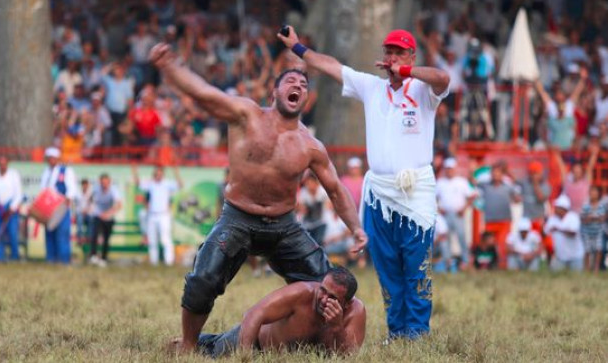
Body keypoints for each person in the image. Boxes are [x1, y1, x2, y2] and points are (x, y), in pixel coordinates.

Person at [148, 43, 367, 352]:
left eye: (303, 85)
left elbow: (335, 189)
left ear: (306, 100)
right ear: (273, 94)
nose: (298, 86)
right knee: (203, 279)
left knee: (329, 287)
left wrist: (356, 228)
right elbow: (203, 94)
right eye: (290, 82)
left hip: (284, 226)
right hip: (238, 217)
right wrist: (170, 66)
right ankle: (188, 344)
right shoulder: (245, 115)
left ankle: (315, 341)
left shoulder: (310, 145)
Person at [278, 26, 448, 339]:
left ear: (411, 56)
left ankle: (418, 333)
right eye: (389, 52)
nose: (392, 57)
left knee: (415, 266)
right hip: (379, 194)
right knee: (387, 268)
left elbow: (443, 78)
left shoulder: (422, 90)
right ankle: (397, 332)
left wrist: (407, 71)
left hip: (415, 193)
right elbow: (330, 66)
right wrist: (299, 48)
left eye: (399, 52)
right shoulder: (371, 87)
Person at [192, 267, 366, 358]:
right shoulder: (302, 292)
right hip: (252, 343)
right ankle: (187, 341)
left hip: (283, 356)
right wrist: (244, 358)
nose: (323, 299)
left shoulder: (356, 312)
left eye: (332, 297)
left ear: (346, 304)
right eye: (323, 290)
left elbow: (348, 356)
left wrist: (337, 328)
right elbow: (253, 314)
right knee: (205, 350)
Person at [131, 164, 181, 266]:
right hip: (152, 215)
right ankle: (154, 262)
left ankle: (169, 261)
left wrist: (176, 172)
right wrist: (135, 172)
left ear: (162, 174)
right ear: (154, 175)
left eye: (160, 174)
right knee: (152, 239)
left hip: (163, 215)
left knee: (165, 239)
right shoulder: (151, 184)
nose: (158, 175)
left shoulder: (167, 184)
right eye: (156, 174)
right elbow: (138, 183)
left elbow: (180, 185)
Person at [40, 147, 79, 264]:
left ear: (57, 158)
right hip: (48, 208)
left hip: (61, 207)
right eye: (49, 158)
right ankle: (51, 258)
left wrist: (65, 203)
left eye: (53, 158)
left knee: (62, 234)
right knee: (50, 233)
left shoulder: (66, 171)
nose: (51, 160)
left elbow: (71, 189)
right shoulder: (46, 172)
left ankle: (63, 259)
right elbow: (43, 190)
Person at [436, 158, 476, 269]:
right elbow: (433, 198)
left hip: (458, 214)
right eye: (447, 169)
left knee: (462, 237)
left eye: (451, 169)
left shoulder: (461, 181)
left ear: (455, 169)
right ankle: (448, 262)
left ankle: (466, 260)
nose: (449, 171)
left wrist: (464, 209)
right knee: (446, 238)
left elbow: (471, 196)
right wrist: (439, 209)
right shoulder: (440, 182)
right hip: (445, 214)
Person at [0, 155, 23, 261]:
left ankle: (14, 257)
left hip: (11, 207)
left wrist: (12, 208)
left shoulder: (13, 174)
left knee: (12, 233)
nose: (2, 166)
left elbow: (18, 194)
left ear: (7, 163)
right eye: (0, 164)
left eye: (4, 164)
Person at [88, 173, 122, 266]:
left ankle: (103, 258)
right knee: (94, 235)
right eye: (102, 182)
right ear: (100, 182)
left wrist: (108, 214)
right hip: (98, 215)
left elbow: (119, 205)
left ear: (109, 182)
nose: (104, 185)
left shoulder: (114, 190)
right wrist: (90, 208)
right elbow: (90, 199)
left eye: (106, 183)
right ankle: (93, 256)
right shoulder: (96, 189)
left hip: (108, 216)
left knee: (106, 239)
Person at [544, 195, 584, 272]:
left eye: (557, 207)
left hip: (575, 256)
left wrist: (558, 229)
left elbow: (573, 233)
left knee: (577, 279)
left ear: (563, 209)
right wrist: (544, 221)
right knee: (555, 278)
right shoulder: (552, 218)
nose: (555, 209)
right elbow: (545, 233)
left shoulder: (573, 217)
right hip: (560, 257)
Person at [580, 186, 605, 273]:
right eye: (592, 192)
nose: (593, 194)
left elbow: (603, 218)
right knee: (587, 250)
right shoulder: (585, 206)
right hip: (587, 232)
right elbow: (582, 219)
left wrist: (597, 218)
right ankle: (587, 269)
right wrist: (589, 218)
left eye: (595, 192)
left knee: (598, 249)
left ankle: (596, 268)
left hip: (598, 231)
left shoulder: (602, 205)